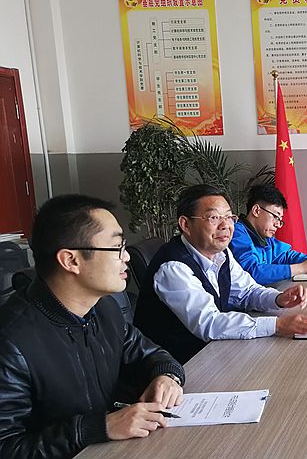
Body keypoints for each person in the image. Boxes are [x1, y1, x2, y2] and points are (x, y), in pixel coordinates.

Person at [0, 195, 185, 458]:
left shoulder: (104, 308)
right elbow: (7, 446)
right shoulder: (11, 341)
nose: (126, 257)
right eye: (117, 247)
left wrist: (166, 376)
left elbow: (151, 354)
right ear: (71, 260)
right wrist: (98, 428)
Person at [134, 185, 307, 364]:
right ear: (186, 224)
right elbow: (209, 323)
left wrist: (278, 299)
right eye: (214, 218)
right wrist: (277, 325)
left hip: (213, 353)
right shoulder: (172, 267)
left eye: (229, 217)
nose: (225, 225)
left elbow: (247, 291)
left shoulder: (221, 254)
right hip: (177, 368)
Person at [230, 184, 307, 285]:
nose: (278, 225)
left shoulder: (265, 238)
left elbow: (286, 256)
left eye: (280, 220)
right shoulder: (236, 234)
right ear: (256, 211)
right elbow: (252, 272)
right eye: (275, 217)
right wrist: (302, 268)